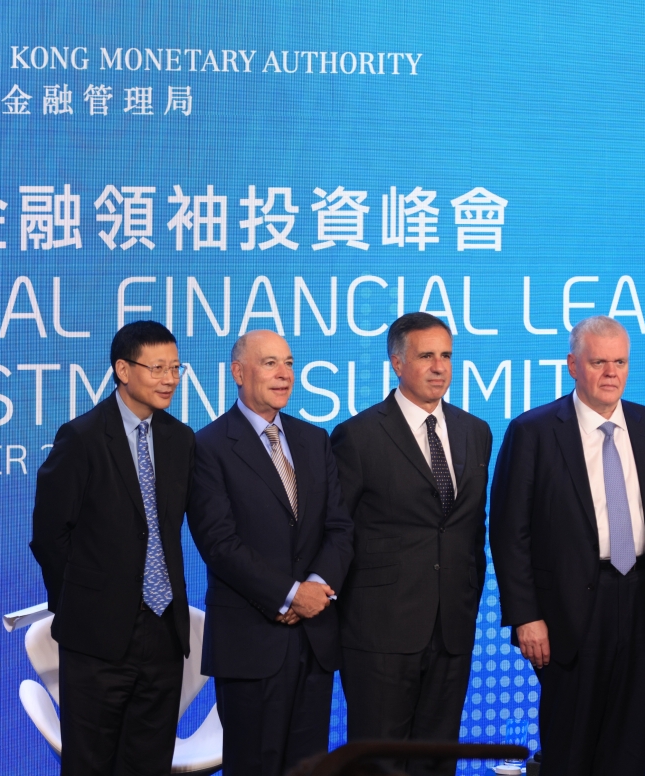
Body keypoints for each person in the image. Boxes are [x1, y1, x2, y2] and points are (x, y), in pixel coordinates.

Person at [489, 315, 645, 775]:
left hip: (639, 600)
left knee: (626, 747)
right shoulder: (533, 431)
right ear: (573, 366)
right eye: (599, 362)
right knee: (571, 746)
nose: (611, 373)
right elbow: (509, 532)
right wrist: (525, 616)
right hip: (566, 610)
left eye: (620, 362)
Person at [330, 312, 493, 776]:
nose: (439, 367)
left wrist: (467, 596)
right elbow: (338, 531)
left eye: (446, 356)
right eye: (426, 356)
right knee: (379, 763)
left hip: (452, 628)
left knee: (437, 759)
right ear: (397, 363)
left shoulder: (475, 431)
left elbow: (471, 527)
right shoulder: (358, 435)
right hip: (379, 632)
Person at [30, 320, 196, 776]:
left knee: (150, 762)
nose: (170, 379)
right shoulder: (81, 437)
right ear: (123, 370)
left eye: (176, 368)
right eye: (157, 368)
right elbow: (49, 535)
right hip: (96, 637)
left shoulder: (180, 439)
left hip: (163, 632)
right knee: (90, 763)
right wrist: (81, 605)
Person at [187, 329, 354, 776]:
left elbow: (339, 527)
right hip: (251, 641)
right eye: (270, 363)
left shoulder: (314, 439)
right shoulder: (208, 446)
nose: (284, 374)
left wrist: (314, 588)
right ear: (238, 373)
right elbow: (219, 543)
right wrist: (289, 594)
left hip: (314, 639)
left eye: (289, 363)